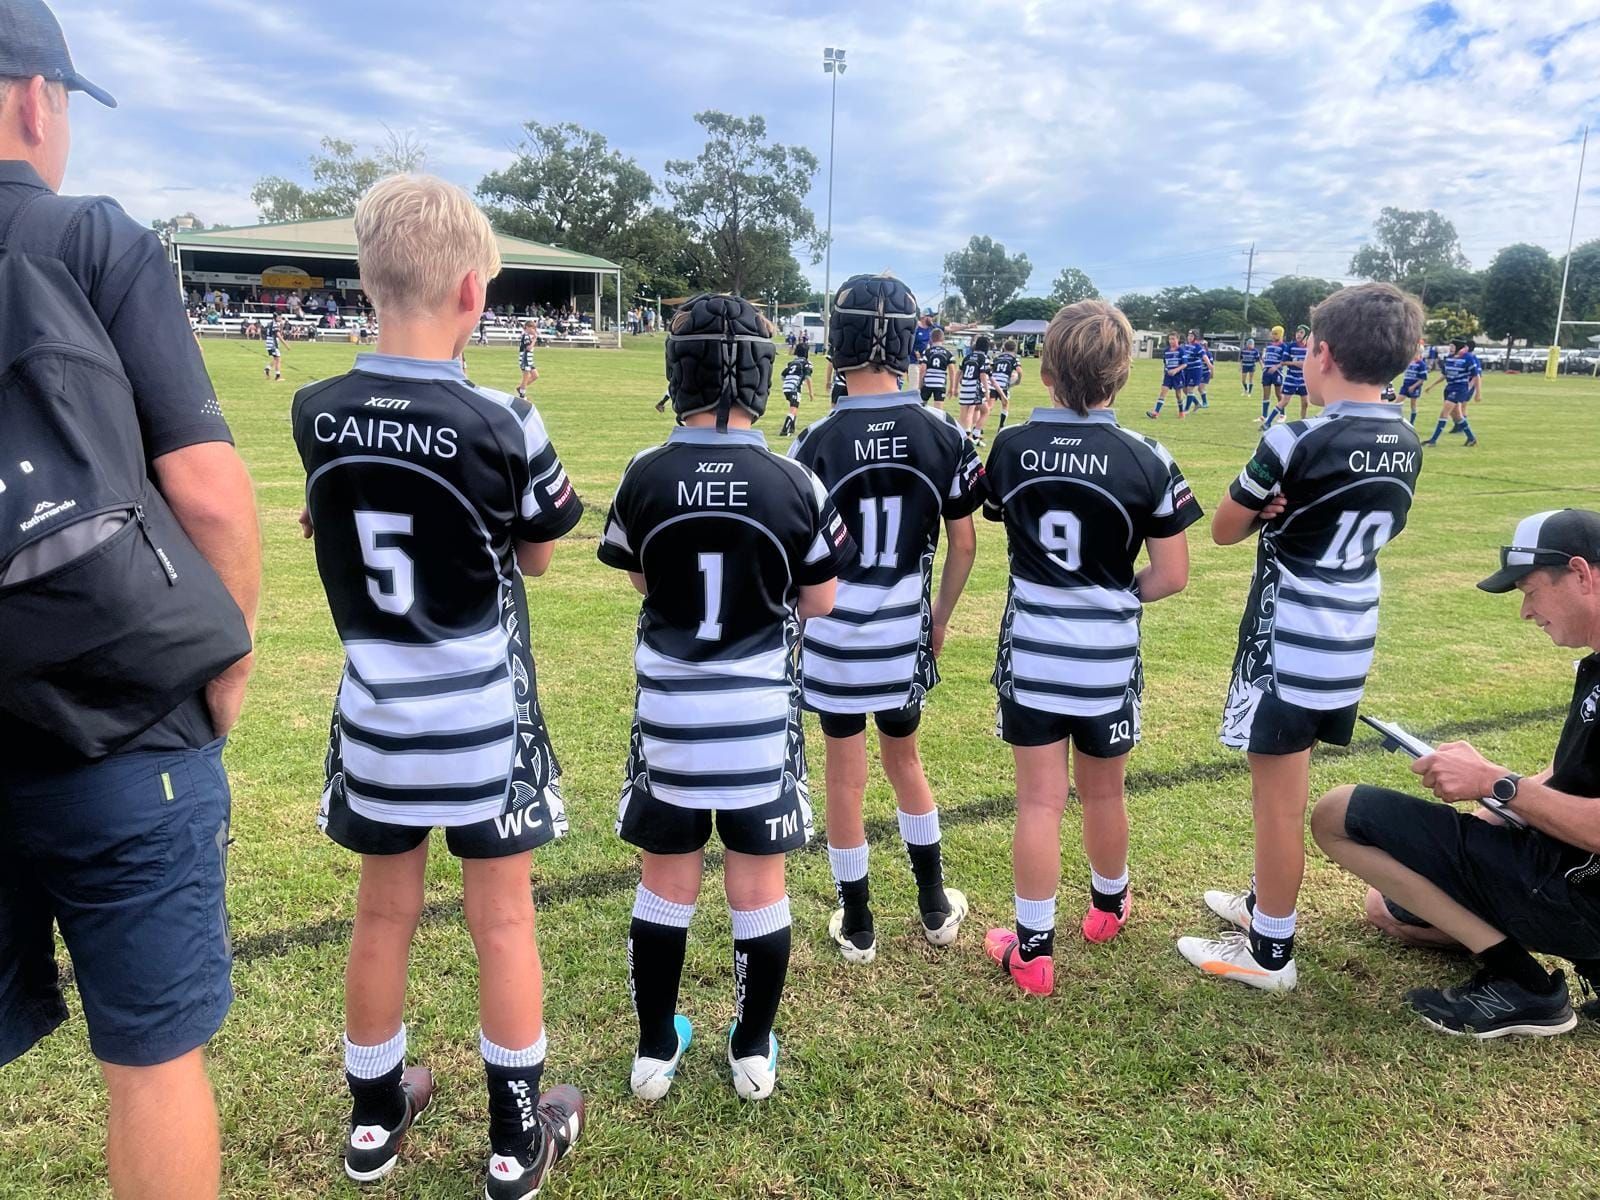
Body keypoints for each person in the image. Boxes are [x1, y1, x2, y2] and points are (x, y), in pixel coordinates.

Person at [0, 7, 261, 1197]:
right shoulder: (90, 238)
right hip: (120, 724)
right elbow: (206, 492)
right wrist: (227, 661)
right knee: (153, 1064)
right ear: (35, 99)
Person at [290, 174, 586, 1197]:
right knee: (502, 921)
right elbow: (539, 557)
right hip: (481, 724)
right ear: (473, 293)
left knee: (383, 916)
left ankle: (374, 1119)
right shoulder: (503, 418)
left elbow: (329, 522)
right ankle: (515, 1140)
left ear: (367, 286)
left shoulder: (314, 412)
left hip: (375, 719)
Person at [598, 293, 854, 1103]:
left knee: (664, 883)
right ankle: (751, 1049)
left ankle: (653, 1049)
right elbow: (821, 600)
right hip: (756, 715)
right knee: (759, 885)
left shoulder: (645, 471)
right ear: (762, 376)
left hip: (671, 709)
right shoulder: (795, 480)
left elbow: (640, 575)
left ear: (679, 373)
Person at [1177, 282, 1425, 991]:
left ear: (1322, 352)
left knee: (1278, 804)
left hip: (1286, 643)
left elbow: (1224, 528)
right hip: (1348, 639)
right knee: (1286, 788)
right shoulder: (1405, 437)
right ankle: (1264, 903)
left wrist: (1264, 512)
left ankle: (1271, 951)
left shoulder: (1294, 436)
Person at [982, 300, 1201, 995]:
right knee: (1105, 794)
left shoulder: (1012, 447)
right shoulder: (1149, 457)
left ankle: (1034, 950)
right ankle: (1109, 907)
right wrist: (1113, 598)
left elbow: (993, 513)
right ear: (1124, 373)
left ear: (1044, 371)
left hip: (1035, 655)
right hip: (1107, 661)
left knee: (1039, 803)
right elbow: (1172, 575)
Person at [1312, 508, 1600, 1037]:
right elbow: (1573, 772)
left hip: (1577, 887)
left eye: (1530, 590)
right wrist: (1504, 807)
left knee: (1337, 812)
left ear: (1581, 574)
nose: (1526, 612)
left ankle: (1527, 988)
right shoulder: (1596, 663)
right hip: (1566, 870)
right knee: (1389, 907)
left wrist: (1499, 785)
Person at [789, 273, 983, 965]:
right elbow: (964, 543)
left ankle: (860, 920)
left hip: (834, 635)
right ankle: (934, 907)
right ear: (908, 344)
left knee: (845, 778)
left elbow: (796, 557)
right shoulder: (944, 433)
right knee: (906, 760)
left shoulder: (812, 440)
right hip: (904, 630)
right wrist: (939, 617)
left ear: (835, 342)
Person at [1422, 336, 1482, 448]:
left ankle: (1433, 440)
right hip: (1449, 388)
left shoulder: (1468, 358)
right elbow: (1444, 375)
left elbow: (1476, 376)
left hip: (1459, 389)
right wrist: (1431, 386)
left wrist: (1478, 393)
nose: (1450, 348)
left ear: (1459, 347)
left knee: (1444, 413)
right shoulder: (1449, 358)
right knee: (1457, 416)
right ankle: (1471, 439)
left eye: (1452, 346)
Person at [1264, 324, 1311, 426]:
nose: (1298, 334)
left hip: (1304, 379)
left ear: (1306, 335)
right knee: (1284, 401)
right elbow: (1284, 362)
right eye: (1297, 332)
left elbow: (1310, 363)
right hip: (1292, 378)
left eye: (1301, 332)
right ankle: (1267, 422)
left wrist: (1303, 364)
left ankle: (1303, 423)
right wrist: (1296, 363)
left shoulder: (1310, 347)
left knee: (1305, 403)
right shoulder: (1290, 346)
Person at [957, 334, 992, 443]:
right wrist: (986, 391)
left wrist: (956, 385)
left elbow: (960, 373)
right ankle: (974, 434)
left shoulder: (967, 357)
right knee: (985, 411)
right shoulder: (984, 358)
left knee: (964, 413)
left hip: (965, 387)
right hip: (975, 388)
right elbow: (982, 375)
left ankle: (964, 435)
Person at [777, 341, 815, 437]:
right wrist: (811, 393)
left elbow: (782, 376)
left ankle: (792, 428)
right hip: (794, 387)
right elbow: (808, 377)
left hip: (786, 387)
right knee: (793, 409)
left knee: (794, 406)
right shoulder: (806, 363)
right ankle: (785, 430)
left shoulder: (791, 362)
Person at [1147, 331, 1187, 419]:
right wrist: (1167, 370)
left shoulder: (1181, 351)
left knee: (1178, 395)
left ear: (1178, 339)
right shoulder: (1166, 351)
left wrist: (1175, 370)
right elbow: (1166, 363)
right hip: (1168, 376)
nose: (1171, 341)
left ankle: (1181, 412)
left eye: (1173, 339)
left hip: (1178, 376)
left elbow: (1184, 364)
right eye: (1170, 339)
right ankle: (1155, 413)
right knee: (1162, 393)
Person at [984, 338, 1023, 430]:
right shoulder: (1014, 359)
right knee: (1005, 404)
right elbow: (1019, 371)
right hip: (1003, 384)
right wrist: (1018, 380)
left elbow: (989, 368)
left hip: (993, 383)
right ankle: (1001, 425)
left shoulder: (998, 357)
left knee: (990, 406)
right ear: (1015, 349)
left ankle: (980, 426)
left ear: (1004, 348)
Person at [1259, 324, 1286, 425]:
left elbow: (1284, 360)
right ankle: (1264, 415)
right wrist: (1264, 367)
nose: (1273, 336)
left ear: (1280, 334)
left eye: (1275, 334)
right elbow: (1264, 358)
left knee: (1278, 394)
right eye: (1272, 334)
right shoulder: (1269, 346)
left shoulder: (1283, 346)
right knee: (1266, 394)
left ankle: (1282, 414)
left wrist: (1276, 367)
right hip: (1267, 372)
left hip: (1277, 373)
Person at [920, 326, 954, 407]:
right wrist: (952, 387)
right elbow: (952, 371)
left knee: (922, 406)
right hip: (940, 384)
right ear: (943, 339)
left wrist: (920, 385)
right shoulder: (948, 353)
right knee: (938, 409)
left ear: (931, 339)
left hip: (927, 383)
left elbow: (923, 369)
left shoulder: (927, 352)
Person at [1397, 340, 1428, 426]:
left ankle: (1412, 422)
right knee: (1397, 403)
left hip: (1414, 387)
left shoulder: (1421, 364)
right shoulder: (1409, 362)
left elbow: (1422, 379)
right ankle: (1397, 419)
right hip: (1405, 385)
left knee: (1413, 405)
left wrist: (1413, 387)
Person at [517, 319, 538, 399]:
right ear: (527, 327)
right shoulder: (525, 336)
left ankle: (521, 388)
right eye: (532, 328)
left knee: (535, 376)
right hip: (525, 360)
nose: (534, 330)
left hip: (529, 360)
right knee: (525, 378)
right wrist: (535, 339)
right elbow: (528, 348)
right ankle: (522, 396)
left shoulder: (528, 336)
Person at [262, 311, 283, 381]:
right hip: (273, 344)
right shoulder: (275, 324)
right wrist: (286, 344)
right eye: (279, 317)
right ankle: (278, 376)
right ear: (275, 317)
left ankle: (267, 369)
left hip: (269, 343)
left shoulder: (270, 323)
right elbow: (279, 335)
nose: (280, 318)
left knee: (275, 359)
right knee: (278, 359)